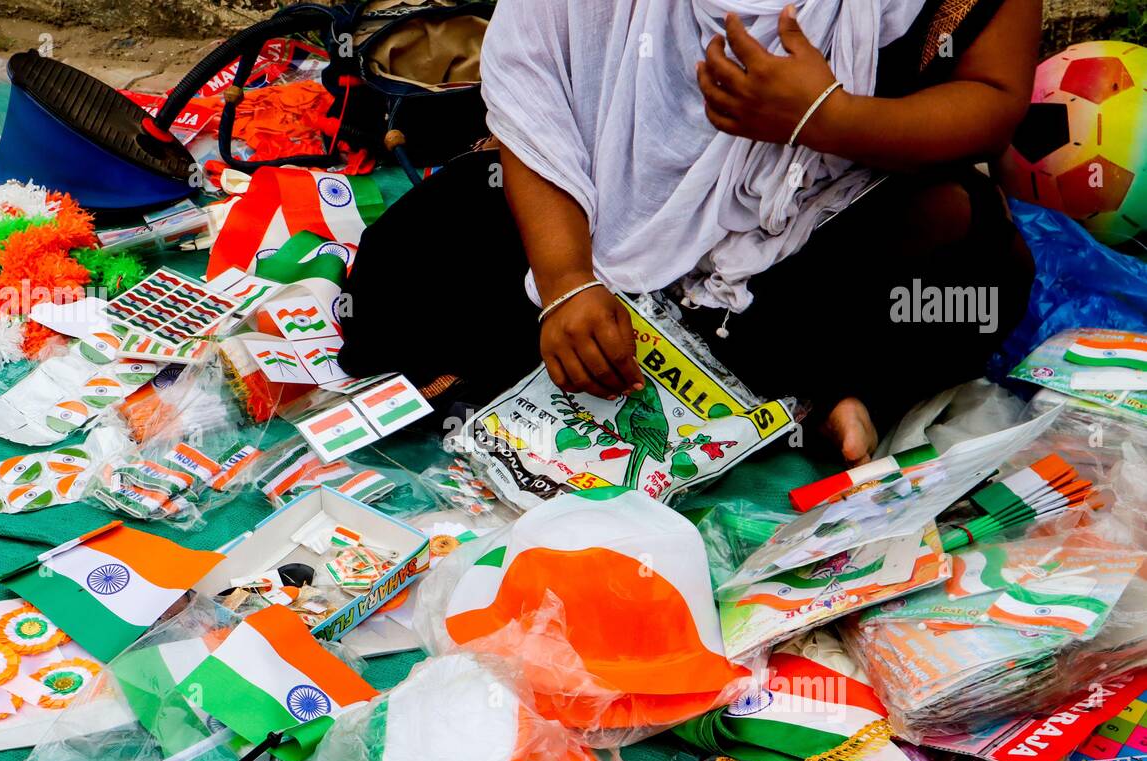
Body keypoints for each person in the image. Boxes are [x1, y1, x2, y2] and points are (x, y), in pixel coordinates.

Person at [337, 0, 1041, 465]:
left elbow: (994, 96)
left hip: (807, 256)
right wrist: (563, 281)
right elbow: (534, 88)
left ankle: (834, 395)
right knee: (410, 254)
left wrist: (826, 119)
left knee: (974, 260)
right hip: (601, 231)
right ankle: (775, 396)